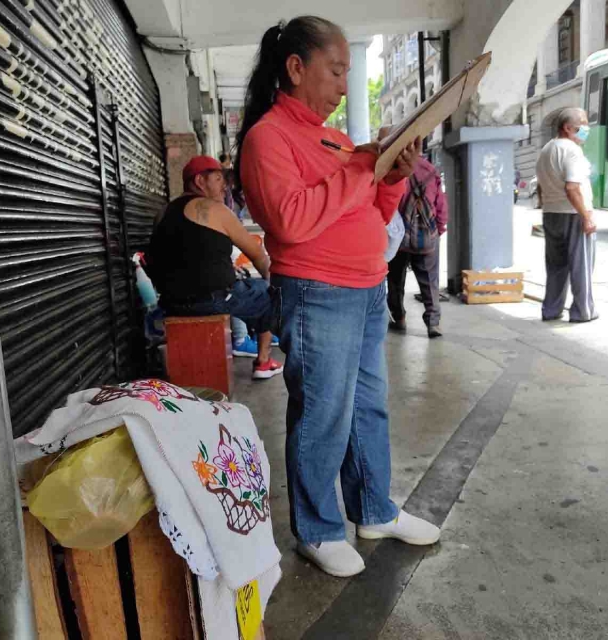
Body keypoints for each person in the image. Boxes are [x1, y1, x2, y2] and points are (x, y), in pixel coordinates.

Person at [236, 16, 441, 578]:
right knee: (323, 414)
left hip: (367, 287)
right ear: (296, 68)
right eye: (336, 71)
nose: (344, 86)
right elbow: (292, 220)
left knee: (367, 408)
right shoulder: (268, 138)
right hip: (318, 292)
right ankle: (318, 529)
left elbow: (372, 212)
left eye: (348, 72)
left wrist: (390, 174)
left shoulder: (337, 140)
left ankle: (373, 510)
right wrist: (361, 169)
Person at [148, 155, 283, 379]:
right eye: (219, 179)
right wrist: (274, 284)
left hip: (172, 304)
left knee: (247, 291)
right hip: (212, 299)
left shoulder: (162, 214)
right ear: (200, 181)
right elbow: (258, 255)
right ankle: (263, 361)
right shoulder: (215, 209)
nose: (225, 186)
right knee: (270, 296)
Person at [536, 107, 598, 323]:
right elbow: (572, 188)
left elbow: (541, 188)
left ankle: (551, 310)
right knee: (581, 265)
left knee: (556, 266)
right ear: (568, 128)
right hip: (573, 213)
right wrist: (586, 216)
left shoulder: (546, 149)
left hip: (551, 214)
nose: (586, 128)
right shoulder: (571, 150)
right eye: (582, 124)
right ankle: (583, 311)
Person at [387, 155, 448, 338]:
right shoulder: (430, 170)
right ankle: (433, 323)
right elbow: (441, 205)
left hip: (399, 237)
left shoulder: (392, 169)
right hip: (426, 235)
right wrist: (438, 229)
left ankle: (399, 318)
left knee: (395, 280)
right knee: (430, 281)